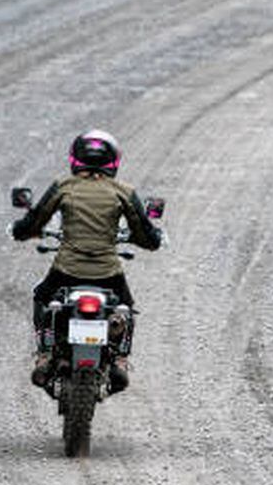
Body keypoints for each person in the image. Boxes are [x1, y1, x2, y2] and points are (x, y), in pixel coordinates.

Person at [9, 130, 164, 393]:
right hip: (108, 274)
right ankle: (121, 360)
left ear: (76, 158)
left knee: (41, 297)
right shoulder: (122, 192)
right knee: (126, 307)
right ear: (113, 161)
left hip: (66, 269)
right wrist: (153, 237)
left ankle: (45, 353)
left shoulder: (64, 186)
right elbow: (146, 236)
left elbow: (35, 220)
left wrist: (21, 230)